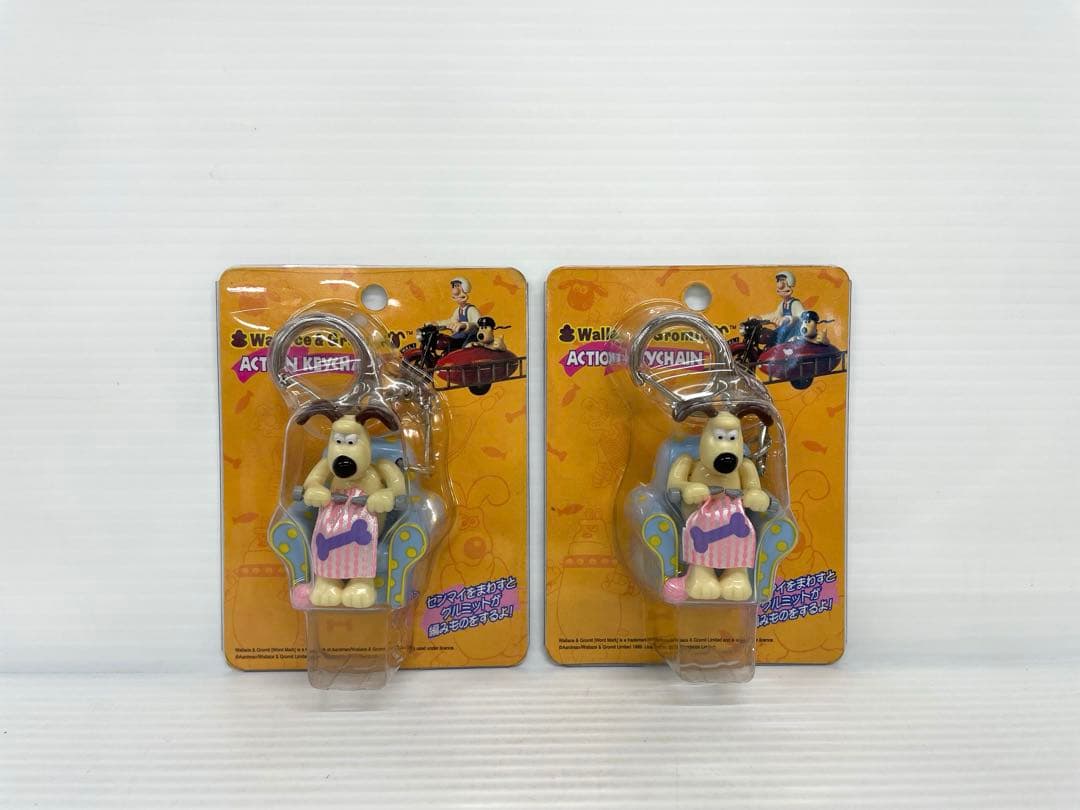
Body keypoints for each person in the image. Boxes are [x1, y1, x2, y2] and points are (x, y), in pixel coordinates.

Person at [756, 271, 804, 343]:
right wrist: (760, 318)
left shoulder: (795, 303)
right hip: (784, 332)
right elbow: (776, 315)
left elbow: (803, 318)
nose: (780, 285)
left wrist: (789, 319)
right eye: (778, 281)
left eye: (783, 280)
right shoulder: (782, 304)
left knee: (778, 340)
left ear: (790, 283)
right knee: (769, 337)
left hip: (793, 336)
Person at [437, 277, 480, 346]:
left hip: (470, 338)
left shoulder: (471, 309)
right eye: (454, 286)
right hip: (460, 335)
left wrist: (465, 325)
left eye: (458, 286)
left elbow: (477, 324)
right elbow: (452, 321)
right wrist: (436, 324)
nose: (455, 289)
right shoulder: (458, 310)